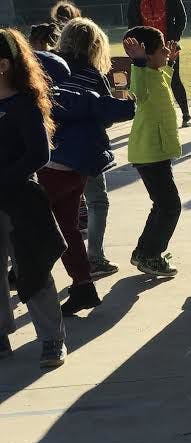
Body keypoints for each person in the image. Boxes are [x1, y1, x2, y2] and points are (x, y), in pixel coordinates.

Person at [41, 18, 134, 315]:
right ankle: (83, 286)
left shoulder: (48, 71)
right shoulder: (95, 75)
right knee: (68, 225)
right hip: (83, 163)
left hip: (53, 159)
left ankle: (26, 277)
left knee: (33, 225)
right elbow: (106, 115)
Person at [0, 27, 68, 368]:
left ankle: (52, 340)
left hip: (20, 200)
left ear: (3, 66)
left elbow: (39, 154)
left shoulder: (23, 105)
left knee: (33, 269)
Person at [124, 26, 183, 277]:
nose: (166, 51)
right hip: (150, 153)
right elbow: (138, 91)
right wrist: (137, 61)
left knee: (161, 205)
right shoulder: (142, 75)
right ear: (147, 55)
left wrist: (169, 62)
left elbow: (164, 82)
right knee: (171, 206)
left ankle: (143, 252)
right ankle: (151, 255)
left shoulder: (156, 73)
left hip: (157, 152)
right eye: (162, 50)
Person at [128, 0, 191, 128]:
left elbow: (181, 17)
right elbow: (132, 24)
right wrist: (140, 45)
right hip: (147, 47)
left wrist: (173, 39)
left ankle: (186, 114)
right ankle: (147, 115)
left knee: (173, 78)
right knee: (147, 80)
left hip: (167, 45)